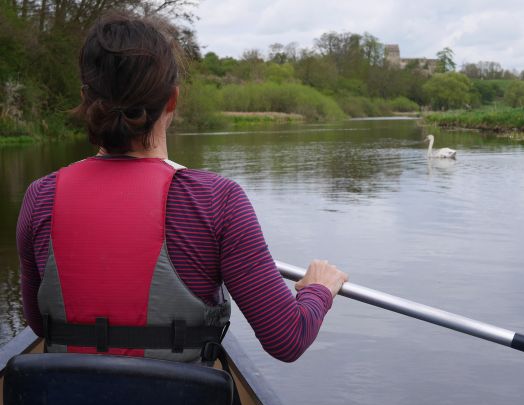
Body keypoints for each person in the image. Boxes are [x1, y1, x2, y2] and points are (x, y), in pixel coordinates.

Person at [16, 11, 347, 366]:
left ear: (87, 98)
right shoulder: (216, 200)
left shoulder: (41, 197)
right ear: (172, 100)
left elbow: (38, 322)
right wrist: (318, 289)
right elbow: (287, 338)